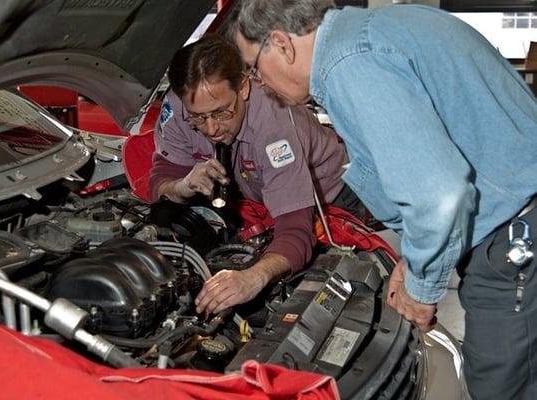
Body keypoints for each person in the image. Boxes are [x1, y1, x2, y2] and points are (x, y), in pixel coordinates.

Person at [232, 1, 537, 399]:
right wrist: (414, 259)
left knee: (503, 389)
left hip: (514, 242)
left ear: (281, 44)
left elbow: (439, 195)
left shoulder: (349, 63)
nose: (261, 84)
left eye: (254, 68)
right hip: (517, 221)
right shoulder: (379, 29)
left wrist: (422, 287)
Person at [150, 34, 361, 316]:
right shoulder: (176, 107)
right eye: (198, 117)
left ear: (245, 88)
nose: (211, 128)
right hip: (255, 197)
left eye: (222, 112)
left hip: (332, 200)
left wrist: (253, 277)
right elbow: (160, 179)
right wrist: (181, 186)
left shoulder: (274, 127)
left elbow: (297, 232)